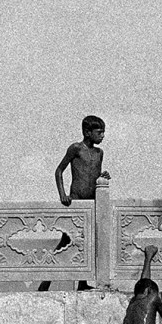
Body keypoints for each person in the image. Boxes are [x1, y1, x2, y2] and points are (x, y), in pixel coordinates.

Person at [39, 115, 110, 291]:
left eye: (103, 132)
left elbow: (94, 176)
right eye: (99, 132)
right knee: (65, 243)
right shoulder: (76, 148)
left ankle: (82, 283)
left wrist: (103, 176)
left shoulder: (99, 153)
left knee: (87, 244)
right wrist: (63, 195)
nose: (102, 136)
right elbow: (59, 171)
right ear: (87, 132)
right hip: (76, 203)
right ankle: (45, 283)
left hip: (91, 203)